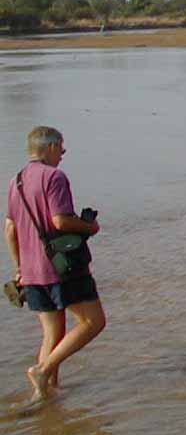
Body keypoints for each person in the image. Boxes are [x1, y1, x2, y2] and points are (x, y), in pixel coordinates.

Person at [5, 126, 106, 401]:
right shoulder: (55, 177)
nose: (62, 154)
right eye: (61, 148)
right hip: (60, 268)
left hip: (31, 272)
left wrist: (20, 268)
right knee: (93, 322)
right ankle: (43, 370)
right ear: (49, 147)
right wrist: (89, 226)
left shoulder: (16, 181)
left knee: (53, 333)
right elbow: (59, 220)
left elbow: (10, 229)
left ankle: (46, 394)